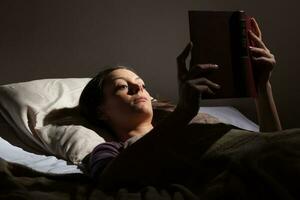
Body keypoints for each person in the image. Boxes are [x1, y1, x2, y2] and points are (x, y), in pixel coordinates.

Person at [79, 18, 282, 191]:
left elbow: (272, 145)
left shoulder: (198, 124)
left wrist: (262, 85)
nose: (138, 88)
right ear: (101, 111)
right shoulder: (110, 150)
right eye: (122, 87)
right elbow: (108, 179)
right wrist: (183, 112)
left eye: (142, 84)